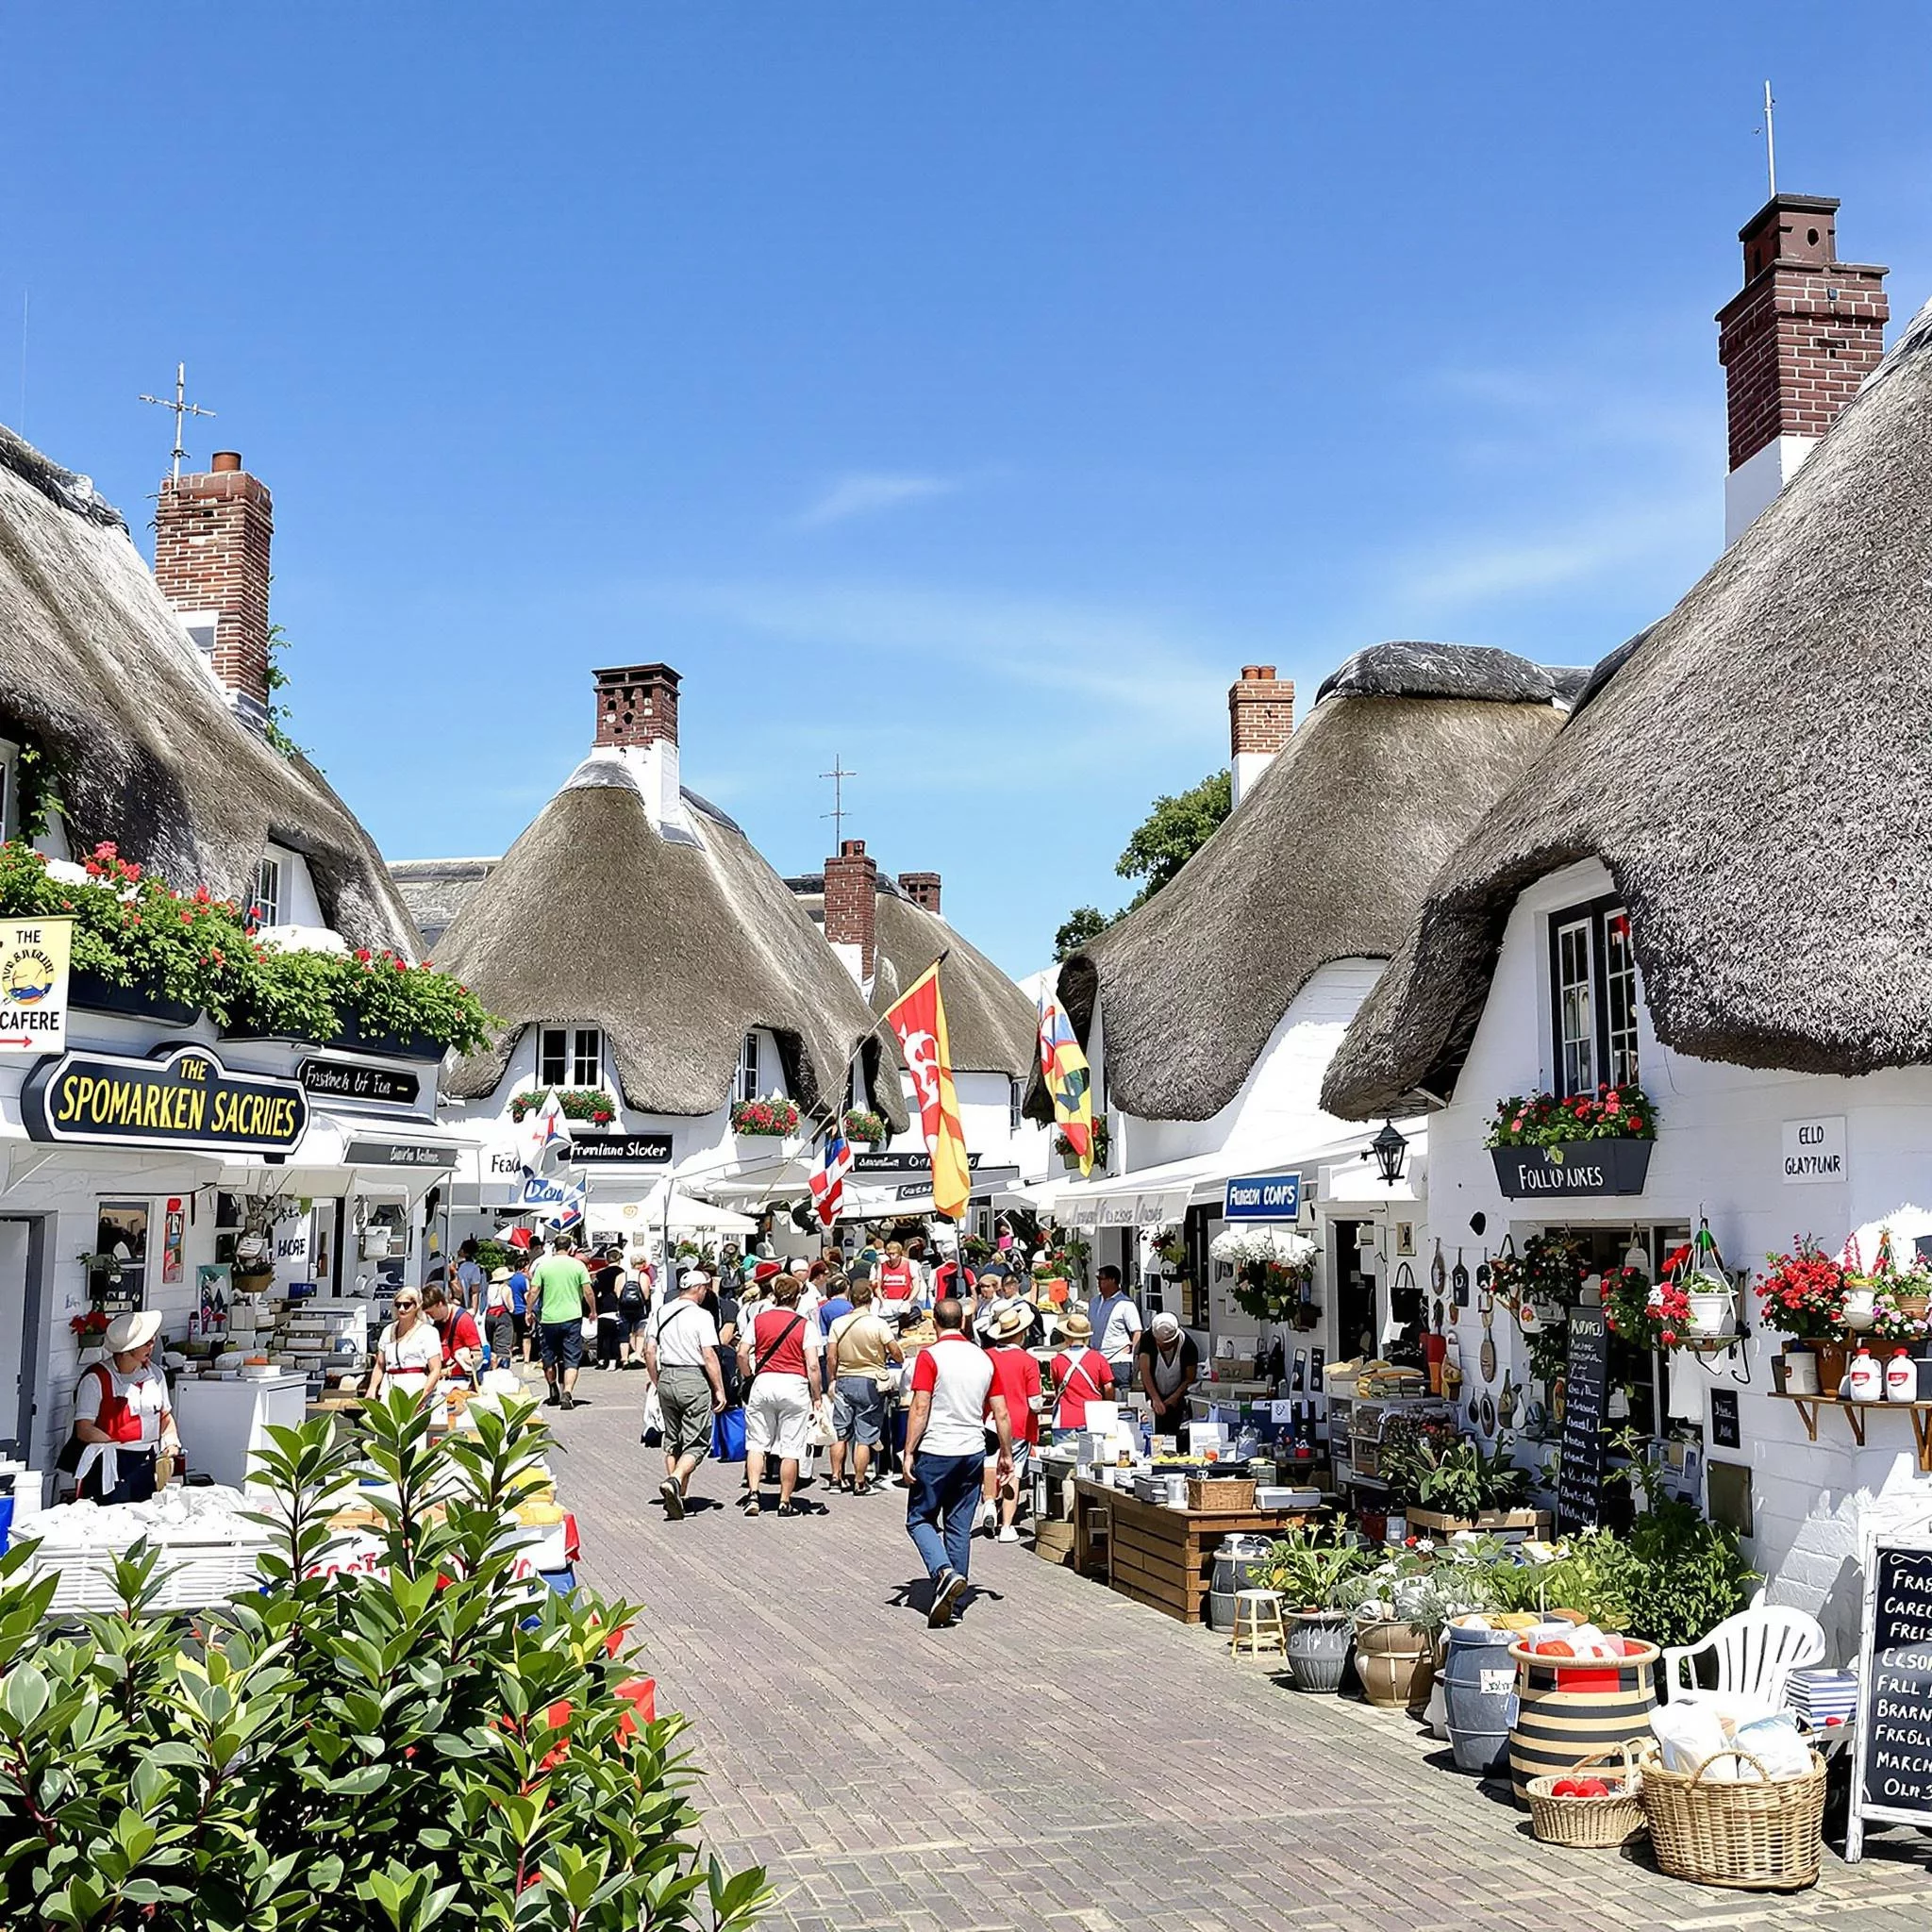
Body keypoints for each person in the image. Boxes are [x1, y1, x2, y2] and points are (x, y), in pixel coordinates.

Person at [904, 1297, 1013, 1628]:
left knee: (919, 1518)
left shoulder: (930, 1356)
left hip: (938, 1447)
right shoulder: (983, 1358)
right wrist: (1006, 1454)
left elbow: (920, 1406)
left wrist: (909, 1450)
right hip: (972, 1449)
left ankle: (943, 1572)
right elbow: (1001, 1411)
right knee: (958, 1525)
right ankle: (953, 1599)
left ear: (935, 1323)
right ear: (963, 1324)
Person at [69, 1309, 179, 1504]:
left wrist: (171, 1443)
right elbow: (84, 1429)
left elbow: (165, 1417)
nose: (152, 1344)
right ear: (128, 1350)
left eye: (152, 1340)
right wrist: (118, 1445)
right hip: (109, 1464)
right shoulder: (95, 1378)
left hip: (148, 1462)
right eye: (146, 1342)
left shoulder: (155, 1374)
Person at [644, 1269, 726, 1520]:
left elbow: (648, 1350)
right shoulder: (701, 1316)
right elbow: (709, 1355)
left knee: (673, 1439)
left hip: (667, 1375)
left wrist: (656, 1380)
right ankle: (676, 1479)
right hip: (693, 1378)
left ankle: (678, 1497)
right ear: (700, 1289)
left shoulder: (661, 1311)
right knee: (697, 1441)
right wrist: (719, 1389)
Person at [739, 1274, 823, 1516]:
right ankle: (785, 1501)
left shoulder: (759, 1320)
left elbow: (742, 1353)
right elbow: (813, 1365)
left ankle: (753, 1494)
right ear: (797, 1298)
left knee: (756, 1443)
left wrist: (748, 1377)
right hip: (794, 1384)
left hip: (764, 1382)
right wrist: (816, 1395)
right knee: (791, 1447)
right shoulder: (805, 1324)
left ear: (774, 1296)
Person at [825, 1280, 903, 1494]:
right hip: (870, 1381)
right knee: (864, 1434)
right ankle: (860, 1481)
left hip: (844, 1378)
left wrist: (832, 1378)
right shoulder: (878, 1324)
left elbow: (831, 1357)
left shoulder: (838, 1324)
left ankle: (835, 1478)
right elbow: (896, 1352)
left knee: (840, 1432)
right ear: (871, 1299)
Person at [980, 1301, 1041, 1542]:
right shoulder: (1028, 1361)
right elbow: (1035, 1402)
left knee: (990, 1462)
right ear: (1021, 1333)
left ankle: (987, 1502)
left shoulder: (986, 1357)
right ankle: (1007, 1526)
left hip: (989, 1418)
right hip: (1019, 1421)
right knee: (1012, 1471)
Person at [531, 1237, 596, 1409]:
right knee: (571, 1357)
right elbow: (588, 1291)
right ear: (570, 1248)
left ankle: (552, 1386)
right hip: (572, 1317)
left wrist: (529, 1310)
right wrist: (593, 1310)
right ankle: (567, 1392)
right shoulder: (578, 1266)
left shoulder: (544, 1266)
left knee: (548, 1356)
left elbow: (534, 1290)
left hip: (548, 1318)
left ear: (554, 1247)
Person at [366, 1287, 444, 1406]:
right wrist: (372, 1388)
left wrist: (422, 1396)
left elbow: (435, 1369)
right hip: (390, 1389)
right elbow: (380, 1365)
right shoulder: (388, 1331)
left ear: (416, 1306)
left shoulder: (428, 1332)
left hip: (415, 1388)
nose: (402, 1309)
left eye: (406, 1305)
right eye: (398, 1305)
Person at [1049, 1310, 1115, 1441]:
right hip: (1094, 1419)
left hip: (1064, 1420)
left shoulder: (1057, 1360)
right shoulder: (1098, 1358)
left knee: (1064, 1460)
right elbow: (1108, 1387)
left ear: (1066, 1336)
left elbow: (1058, 1390)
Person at [1138, 1310, 1199, 1446]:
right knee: (1155, 1433)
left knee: (1175, 1435)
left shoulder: (1188, 1346)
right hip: (1154, 1391)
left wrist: (1174, 1397)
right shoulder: (1147, 1339)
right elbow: (1145, 1371)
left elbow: (1190, 1378)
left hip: (1178, 1395)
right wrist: (1155, 1398)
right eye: (1159, 1343)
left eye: (1167, 1344)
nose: (1162, 1346)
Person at [1089, 1265, 1142, 1393]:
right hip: (1097, 1359)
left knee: (1120, 1396)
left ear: (1112, 1280)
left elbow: (1137, 1331)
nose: (1099, 1283)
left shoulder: (1126, 1304)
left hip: (1118, 1359)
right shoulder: (1094, 1302)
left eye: (1102, 1279)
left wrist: (1133, 1355)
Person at [425, 1281, 484, 1383]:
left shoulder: (463, 1320)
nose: (429, 1316)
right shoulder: (438, 1323)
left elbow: (477, 1354)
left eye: (431, 1312)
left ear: (439, 1304)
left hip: (461, 1380)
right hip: (441, 1378)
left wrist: (451, 1370)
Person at [591, 1248, 625, 1371]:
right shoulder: (622, 1273)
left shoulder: (600, 1274)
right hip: (617, 1305)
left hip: (604, 1305)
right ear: (619, 1259)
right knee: (616, 1335)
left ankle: (602, 1360)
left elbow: (594, 1290)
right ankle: (615, 1360)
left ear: (606, 1260)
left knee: (603, 1336)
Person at [482, 1266, 518, 1367]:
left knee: (492, 1345)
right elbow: (510, 1307)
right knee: (503, 1346)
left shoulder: (488, 1287)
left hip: (489, 1316)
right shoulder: (505, 1288)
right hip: (502, 1316)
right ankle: (503, 1368)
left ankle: (492, 1366)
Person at [617, 1262, 650, 1368]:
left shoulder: (622, 1276)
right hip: (639, 1308)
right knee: (640, 1331)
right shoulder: (643, 1276)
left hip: (624, 1308)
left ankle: (624, 1359)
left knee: (624, 1334)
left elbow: (617, 1291)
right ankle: (637, 1355)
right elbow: (646, 1293)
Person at [508, 1251, 533, 1364]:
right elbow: (527, 1295)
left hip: (512, 1310)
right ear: (523, 1268)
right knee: (526, 1335)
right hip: (522, 1309)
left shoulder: (510, 1279)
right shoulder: (524, 1280)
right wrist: (530, 1309)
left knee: (514, 1334)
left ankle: (511, 1355)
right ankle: (527, 1358)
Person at [816, 1272, 855, 1338]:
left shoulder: (824, 1307)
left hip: (831, 1341)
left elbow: (824, 1333)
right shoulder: (850, 1307)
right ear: (847, 1288)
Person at [453, 1238, 486, 1313]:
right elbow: (476, 1291)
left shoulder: (462, 1267)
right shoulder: (477, 1268)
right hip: (470, 1307)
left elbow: (474, 1291)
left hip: (463, 1304)